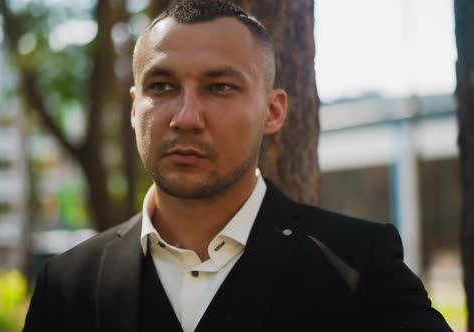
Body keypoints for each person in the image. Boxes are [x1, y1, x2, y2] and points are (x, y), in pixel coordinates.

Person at [23, 0, 452, 331]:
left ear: (273, 111)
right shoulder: (66, 284)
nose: (186, 116)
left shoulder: (362, 267)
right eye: (162, 86)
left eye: (220, 87)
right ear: (135, 109)